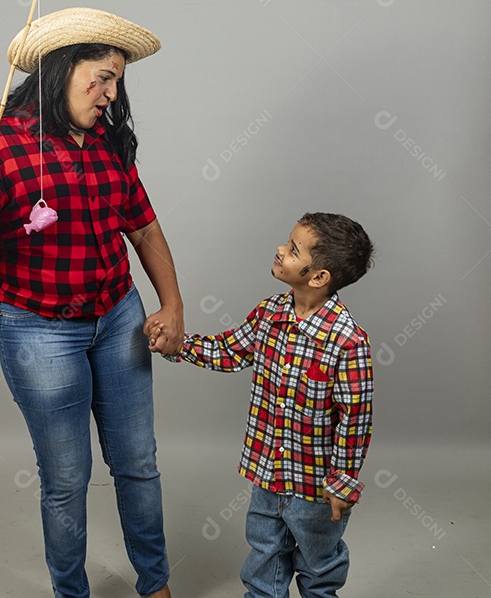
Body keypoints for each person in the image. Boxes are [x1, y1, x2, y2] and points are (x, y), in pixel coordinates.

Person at [0, 7, 182, 598]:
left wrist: (170, 306)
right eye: (101, 76)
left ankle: (156, 585)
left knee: (138, 463)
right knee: (68, 478)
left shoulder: (110, 142)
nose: (110, 93)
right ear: (61, 70)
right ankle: (72, 592)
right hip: (38, 328)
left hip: (117, 313)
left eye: (117, 79)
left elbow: (144, 229)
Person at [147, 212, 374, 598]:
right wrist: (179, 345)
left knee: (320, 567)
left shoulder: (348, 342)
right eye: (287, 242)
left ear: (318, 277)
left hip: (315, 488)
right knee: (264, 558)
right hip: (267, 475)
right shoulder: (270, 313)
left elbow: (355, 422)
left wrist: (342, 484)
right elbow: (229, 350)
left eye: (292, 249)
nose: (280, 250)